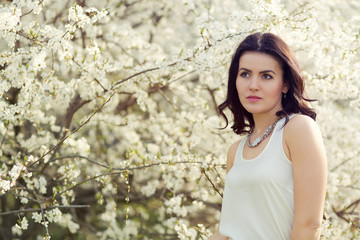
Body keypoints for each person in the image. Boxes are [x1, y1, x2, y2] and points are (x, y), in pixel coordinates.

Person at [208, 32, 327, 240]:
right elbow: (225, 230)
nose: (253, 85)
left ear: (285, 84)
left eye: (266, 76)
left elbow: (309, 224)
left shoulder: (298, 130)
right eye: (245, 74)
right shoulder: (235, 151)